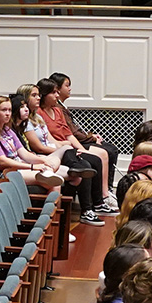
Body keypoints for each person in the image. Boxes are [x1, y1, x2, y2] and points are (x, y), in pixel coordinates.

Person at [14, 85, 103, 226]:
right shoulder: (23, 124)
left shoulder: (37, 117)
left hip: (48, 152)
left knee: (79, 154)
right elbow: (37, 147)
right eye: (34, 95)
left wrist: (68, 148)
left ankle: (94, 204)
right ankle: (85, 211)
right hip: (40, 154)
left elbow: (51, 140)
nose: (38, 98)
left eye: (38, 94)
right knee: (84, 165)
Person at [36, 78, 117, 214]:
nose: (57, 95)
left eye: (57, 92)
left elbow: (69, 135)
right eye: (53, 93)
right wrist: (66, 147)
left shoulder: (57, 111)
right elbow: (48, 139)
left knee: (96, 158)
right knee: (87, 164)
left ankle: (99, 203)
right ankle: (87, 209)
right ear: (45, 95)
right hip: (58, 150)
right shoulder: (39, 113)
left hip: (68, 148)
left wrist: (81, 149)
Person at [0, 96, 67, 190]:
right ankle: (48, 177)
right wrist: (32, 166)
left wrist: (43, 161)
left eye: (9, 110)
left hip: (19, 166)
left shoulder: (7, 130)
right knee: (54, 183)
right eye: (4, 110)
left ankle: (48, 172)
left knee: (54, 160)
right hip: (5, 173)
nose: (8, 114)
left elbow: (24, 153)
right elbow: (3, 161)